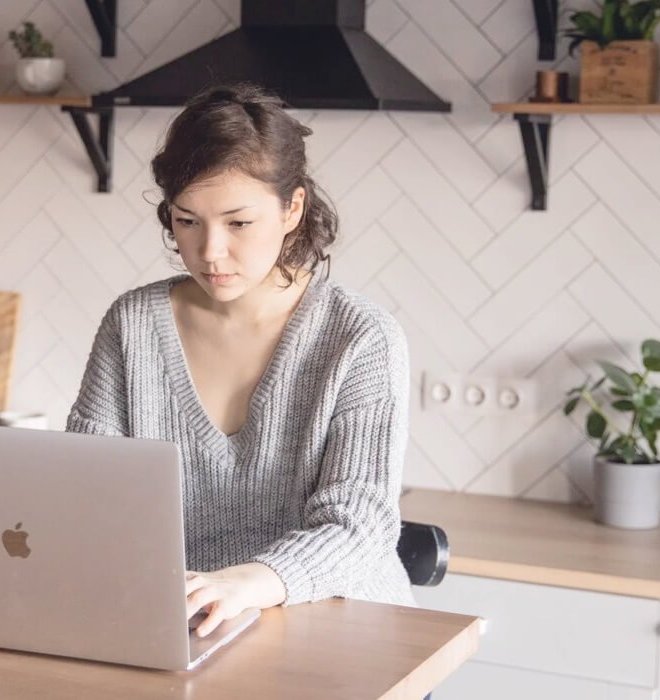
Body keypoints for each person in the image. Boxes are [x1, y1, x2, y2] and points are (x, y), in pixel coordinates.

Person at [66, 83, 413, 638]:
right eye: (186, 221)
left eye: (238, 222)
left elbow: (360, 528)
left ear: (292, 208)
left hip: (337, 631)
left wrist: (247, 583)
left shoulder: (360, 338)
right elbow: (87, 492)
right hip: (183, 624)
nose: (210, 251)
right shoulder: (132, 325)